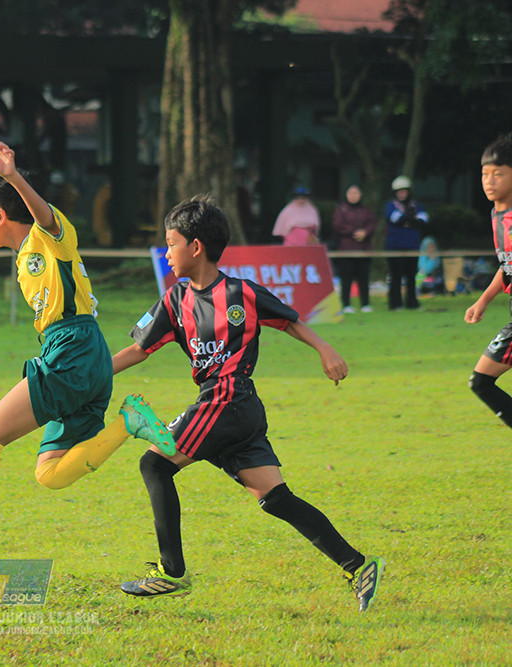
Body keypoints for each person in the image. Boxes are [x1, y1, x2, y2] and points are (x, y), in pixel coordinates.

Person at [0, 140, 175, 568]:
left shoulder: (47, 238)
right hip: (86, 353)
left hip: (72, 348)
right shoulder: (26, 255)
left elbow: (45, 218)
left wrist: (12, 177)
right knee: (49, 472)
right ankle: (128, 422)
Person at [111, 195, 384, 612]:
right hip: (231, 408)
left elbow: (289, 320)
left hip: (227, 398)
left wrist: (325, 349)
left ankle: (172, 572)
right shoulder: (174, 300)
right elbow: (138, 349)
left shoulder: (242, 293)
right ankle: (358, 565)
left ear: (196, 247)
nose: (166, 254)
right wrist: (93, 373)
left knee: (155, 464)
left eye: (171, 244)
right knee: (275, 498)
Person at [465, 133, 512, 431]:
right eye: (485, 174)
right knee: (481, 382)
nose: (489, 181)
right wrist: (483, 300)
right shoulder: (497, 214)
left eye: (498, 174)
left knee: (481, 382)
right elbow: (506, 265)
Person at [384, 175, 428, 310]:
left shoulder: (416, 205)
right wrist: (410, 219)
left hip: (412, 246)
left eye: (404, 191)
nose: (401, 194)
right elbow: (396, 219)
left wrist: (407, 220)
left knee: (411, 276)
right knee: (395, 276)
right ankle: (395, 303)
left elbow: (423, 221)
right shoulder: (390, 206)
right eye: (399, 191)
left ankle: (412, 303)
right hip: (395, 246)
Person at [331, 185, 376, 313]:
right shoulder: (341, 209)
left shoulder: (365, 210)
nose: (353, 196)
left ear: (360, 194)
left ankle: (365, 303)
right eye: (351, 193)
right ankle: (346, 304)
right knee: (346, 278)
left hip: (363, 249)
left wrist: (365, 232)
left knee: (364, 277)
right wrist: (354, 232)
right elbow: (337, 225)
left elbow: (372, 224)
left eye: (356, 193)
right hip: (346, 249)